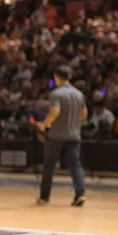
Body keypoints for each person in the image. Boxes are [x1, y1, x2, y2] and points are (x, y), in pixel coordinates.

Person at [35, 67, 88, 207]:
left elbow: (54, 112)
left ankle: (44, 196)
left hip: (57, 135)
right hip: (74, 134)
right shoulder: (79, 94)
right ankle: (80, 194)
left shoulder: (56, 94)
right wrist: (75, 123)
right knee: (75, 165)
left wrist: (44, 124)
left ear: (56, 77)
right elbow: (84, 113)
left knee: (49, 166)